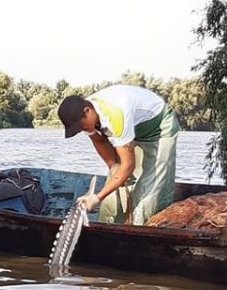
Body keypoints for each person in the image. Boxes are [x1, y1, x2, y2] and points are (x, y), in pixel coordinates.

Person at [58, 83, 183, 224]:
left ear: (88, 111)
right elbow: (100, 141)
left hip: (159, 129)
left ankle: (141, 230)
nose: (81, 130)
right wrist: (113, 165)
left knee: (149, 195)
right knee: (115, 185)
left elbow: (128, 166)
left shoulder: (116, 114)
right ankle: (112, 228)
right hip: (134, 133)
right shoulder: (86, 115)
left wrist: (97, 198)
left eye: (80, 126)